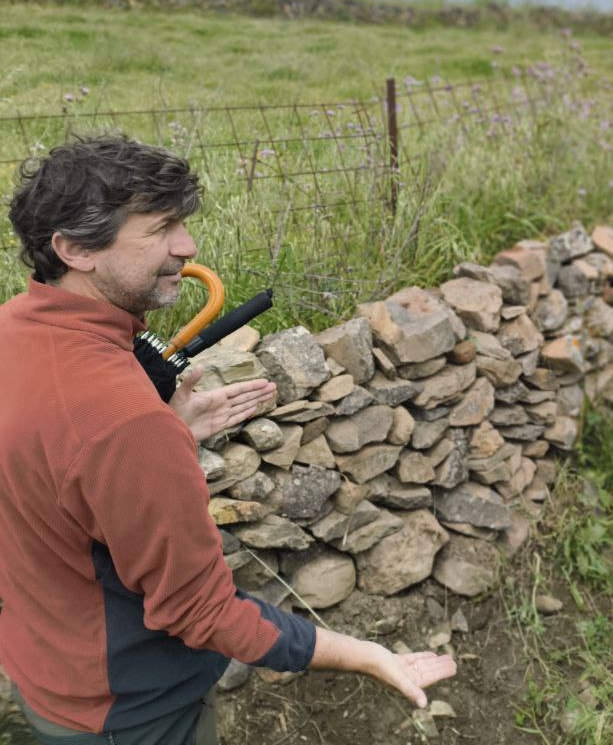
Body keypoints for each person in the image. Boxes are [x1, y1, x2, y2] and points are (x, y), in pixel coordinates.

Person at [0, 136, 455, 744]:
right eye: (161, 228)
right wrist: (366, 654)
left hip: (47, 668)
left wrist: (168, 438)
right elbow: (200, 611)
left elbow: (55, 482)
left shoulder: (14, 331)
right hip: (129, 712)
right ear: (75, 248)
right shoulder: (126, 424)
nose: (186, 247)